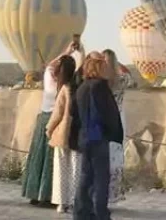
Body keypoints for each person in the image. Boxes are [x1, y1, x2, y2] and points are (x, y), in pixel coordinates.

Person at [23, 40, 79, 208]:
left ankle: (36, 193)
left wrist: (66, 51)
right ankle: (52, 195)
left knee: (38, 158)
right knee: (53, 162)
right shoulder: (70, 86)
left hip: (45, 120)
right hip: (60, 123)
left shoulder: (49, 77)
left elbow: (50, 66)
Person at [69, 51, 124, 220]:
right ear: (98, 68)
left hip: (84, 137)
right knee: (101, 179)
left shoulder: (82, 87)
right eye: (104, 66)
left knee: (86, 177)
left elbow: (73, 112)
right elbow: (108, 113)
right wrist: (112, 131)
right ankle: (101, 214)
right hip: (98, 137)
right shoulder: (100, 87)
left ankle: (81, 212)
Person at [46, 54, 80, 214]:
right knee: (75, 168)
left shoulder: (65, 88)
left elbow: (58, 113)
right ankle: (74, 201)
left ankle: (61, 202)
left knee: (61, 168)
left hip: (63, 132)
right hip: (78, 133)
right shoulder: (80, 86)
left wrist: (49, 128)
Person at [102, 49, 129, 205]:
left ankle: (99, 194)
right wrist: (117, 64)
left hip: (104, 118)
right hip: (119, 119)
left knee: (102, 157)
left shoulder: (100, 81)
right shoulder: (123, 79)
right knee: (115, 158)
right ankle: (112, 195)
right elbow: (129, 75)